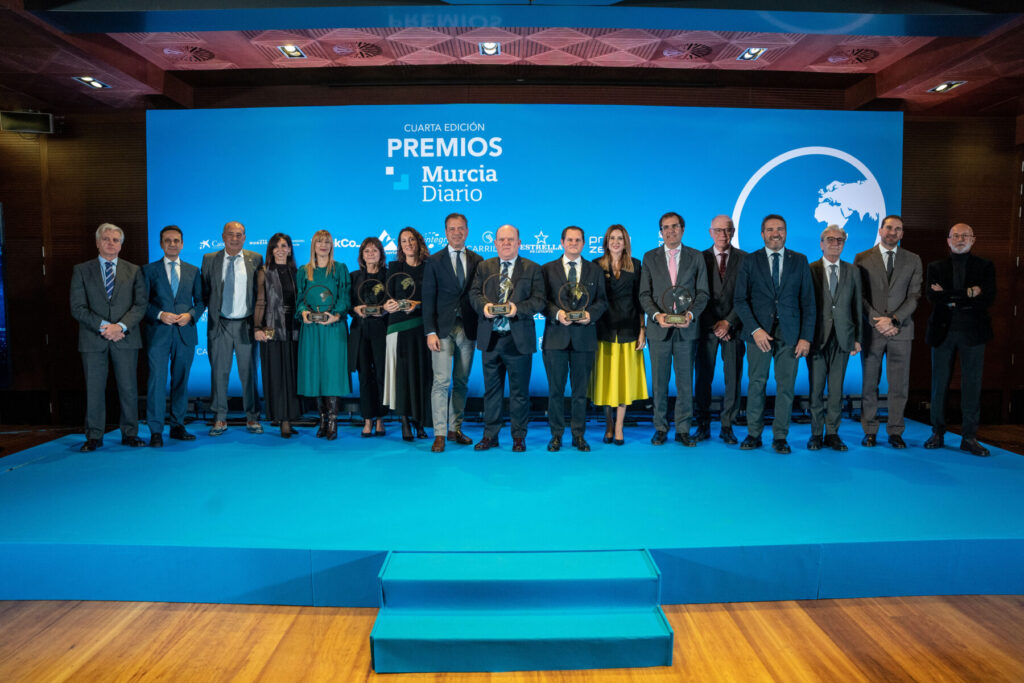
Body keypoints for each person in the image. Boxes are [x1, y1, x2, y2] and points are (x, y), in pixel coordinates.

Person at [733, 214, 815, 454]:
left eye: (780, 229)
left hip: (791, 335)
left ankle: (780, 436)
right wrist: (755, 329)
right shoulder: (750, 261)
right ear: (762, 234)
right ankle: (753, 434)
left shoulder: (800, 261)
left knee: (786, 386)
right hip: (758, 334)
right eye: (770, 230)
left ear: (786, 232)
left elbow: (809, 303)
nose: (775, 233)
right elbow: (740, 300)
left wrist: (805, 337)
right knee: (756, 384)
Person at [70, 223, 147, 452]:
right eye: (106, 239)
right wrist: (106, 327)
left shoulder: (134, 270)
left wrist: (121, 326)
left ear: (121, 245)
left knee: (128, 388)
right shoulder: (82, 270)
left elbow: (140, 304)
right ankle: (94, 436)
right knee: (94, 389)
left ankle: (130, 434)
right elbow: (77, 307)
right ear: (97, 242)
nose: (110, 243)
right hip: (94, 339)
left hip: (125, 338)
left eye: (115, 239)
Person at [469, 224, 546, 452]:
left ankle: (518, 437)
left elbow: (540, 300)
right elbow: (473, 294)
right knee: (491, 392)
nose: (506, 243)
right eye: (501, 239)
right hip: (490, 338)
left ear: (519, 243)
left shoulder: (533, 268)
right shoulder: (484, 267)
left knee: (519, 393)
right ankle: (490, 435)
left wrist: (517, 309)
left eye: (510, 239)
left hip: (518, 340)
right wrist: (484, 307)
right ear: (495, 243)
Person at [923, 223, 995, 457]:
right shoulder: (935, 267)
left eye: (965, 235)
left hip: (973, 333)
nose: (960, 239)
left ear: (973, 239)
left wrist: (951, 296)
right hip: (942, 332)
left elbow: (988, 298)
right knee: (939, 385)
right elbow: (934, 297)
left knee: (972, 385)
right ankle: (937, 432)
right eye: (956, 235)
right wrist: (969, 293)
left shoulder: (985, 266)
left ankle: (969, 437)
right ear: (948, 240)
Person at [638, 211, 709, 446]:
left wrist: (690, 314)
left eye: (675, 226)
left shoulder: (696, 257)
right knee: (659, 382)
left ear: (683, 229)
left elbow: (702, 294)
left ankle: (683, 429)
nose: (670, 231)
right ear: (661, 232)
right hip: (659, 330)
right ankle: (660, 427)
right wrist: (657, 316)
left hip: (687, 330)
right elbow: (644, 295)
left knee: (685, 382)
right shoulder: (649, 257)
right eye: (666, 227)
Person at [854, 215, 922, 449]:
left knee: (899, 385)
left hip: (901, 331)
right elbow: (859, 296)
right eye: (889, 227)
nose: (893, 232)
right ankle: (870, 430)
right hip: (873, 331)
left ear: (902, 234)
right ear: (880, 230)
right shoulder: (862, 258)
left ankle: (895, 431)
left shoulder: (913, 259)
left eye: (898, 229)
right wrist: (878, 322)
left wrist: (893, 320)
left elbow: (914, 296)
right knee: (869, 383)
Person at [541, 226, 608, 452]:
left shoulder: (595, 270)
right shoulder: (547, 269)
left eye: (577, 240)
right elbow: (542, 301)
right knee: (555, 391)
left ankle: (579, 435)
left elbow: (602, 301)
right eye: (569, 240)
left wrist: (590, 315)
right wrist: (557, 314)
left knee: (580, 393)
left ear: (583, 243)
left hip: (584, 338)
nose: (573, 243)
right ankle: (556, 436)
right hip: (555, 339)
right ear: (561, 242)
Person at [422, 213, 482, 452]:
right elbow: (428, 300)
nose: (457, 233)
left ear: (467, 231)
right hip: (442, 331)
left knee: (461, 382)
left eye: (461, 228)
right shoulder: (434, 261)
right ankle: (438, 433)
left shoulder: (478, 260)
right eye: (452, 229)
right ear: (445, 232)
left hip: (468, 329)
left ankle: (454, 428)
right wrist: (430, 331)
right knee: (441, 381)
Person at [142, 225, 204, 447]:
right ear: (161, 244)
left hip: (185, 334)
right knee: (157, 382)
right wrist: (159, 314)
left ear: (182, 243)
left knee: (181, 382)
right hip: (158, 334)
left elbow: (201, 301)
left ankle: (177, 426)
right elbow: (142, 303)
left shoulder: (193, 271)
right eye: (168, 240)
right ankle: (156, 430)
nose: (172, 244)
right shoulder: (148, 270)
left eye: (176, 240)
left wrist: (191, 315)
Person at [201, 220, 263, 436]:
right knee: (219, 373)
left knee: (249, 373)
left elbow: (260, 294)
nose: (235, 238)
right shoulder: (210, 259)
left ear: (245, 238)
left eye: (239, 235)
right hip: (220, 324)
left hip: (246, 324)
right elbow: (205, 291)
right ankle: (219, 418)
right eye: (231, 234)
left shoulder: (255, 259)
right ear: (223, 236)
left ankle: (252, 417)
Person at [589, 224, 648, 446]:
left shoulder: (636, 266)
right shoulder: (595, 265)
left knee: (623, 382)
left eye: (620, 238)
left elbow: (640, 300)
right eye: (612, 238)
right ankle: (608, 425)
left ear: (626, 242)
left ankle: (620, 426)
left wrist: (643, 330)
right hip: (603, 331)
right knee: (606, 382)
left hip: (629, 331)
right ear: (606, 242)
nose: (615, 242)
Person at [806, 225, 862, 452]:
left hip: (843, 337)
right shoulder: (810, 269)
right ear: (821, 243)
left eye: (839, 240)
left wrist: (858, 337)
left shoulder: (853, 271)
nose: (835, 243)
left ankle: (833, 433)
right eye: (830, 239)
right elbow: (806, 306)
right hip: (817, 338)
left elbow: (857, 306)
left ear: (844, 244)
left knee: (836, 390)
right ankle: (816, 434)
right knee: (816, 389)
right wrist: (804, 337)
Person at [694, 215, 747, 444]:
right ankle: (703, 425)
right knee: (703, 378)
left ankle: (728, 425)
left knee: (733, 379)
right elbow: (695, 294)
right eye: (718, 230)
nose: (723, 235)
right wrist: (714, 324)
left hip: (734, 329)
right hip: (706, 329)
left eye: (727, 230)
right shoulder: (698, 258)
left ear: (733, 232)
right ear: (710, 232)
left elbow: (748, 294)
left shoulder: (746, 259)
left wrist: (729, 322)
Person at [296, 229, 350, 440]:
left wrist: (335, 315)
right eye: (319, 241)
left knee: (332, 372)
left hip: (333, 328)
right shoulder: (304, 271)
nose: (323, 245)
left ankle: (334, 421)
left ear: (332, 245)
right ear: (313, 245)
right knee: (316, 372)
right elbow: (299, 300)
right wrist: (304, 313)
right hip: (311, 329)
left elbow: (345, 297)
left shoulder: (340, 269)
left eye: (327, 241)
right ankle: (322, 419)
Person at [383, 227, 432, 441]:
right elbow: (385, 298)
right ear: (400, 246)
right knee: (401, 376)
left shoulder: (429, 268)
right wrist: (388, 305)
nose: (408, 243)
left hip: (421, 329)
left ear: (419, 242)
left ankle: (420, 422)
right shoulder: (394, 267)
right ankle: (404, 421)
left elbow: (434, 298)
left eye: (411, 239)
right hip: (398, 329)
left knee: (421, 375)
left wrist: (417, 304)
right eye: (403, 241)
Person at [254, 233, 303, 439]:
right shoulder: (264, 272)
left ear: (290, 249)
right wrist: (257, 327)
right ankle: (282, 420)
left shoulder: (298, 272)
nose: (280, 249)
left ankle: (291, 417)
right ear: (271, 250)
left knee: (292, 376)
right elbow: (260, 301)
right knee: (276, 375)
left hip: (295, 331)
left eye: (284, 245)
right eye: (276, 246)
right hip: (272, 330)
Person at [349, 237, 389, 437]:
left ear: (381, 254)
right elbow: (347, 305)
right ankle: (367, 419)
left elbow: (394, 303)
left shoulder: (389, 276)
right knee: (364, 376)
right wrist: (356, 308)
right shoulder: (354, 276)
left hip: (382, 331)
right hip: (360, 332)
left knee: (382, 375)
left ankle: (381, 419)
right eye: (367, 251)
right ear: (361, 255)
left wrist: (383, 310)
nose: (371, 253)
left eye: (375, 250)